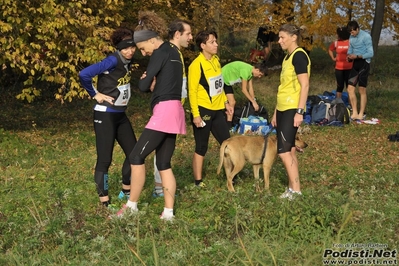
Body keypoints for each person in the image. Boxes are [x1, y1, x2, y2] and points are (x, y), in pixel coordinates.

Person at [116, 11, 186, 220]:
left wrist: (148, 79)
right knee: (163, 163)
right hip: (175, 110)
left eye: (142, 48)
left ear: (150, 40)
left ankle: (131, 207)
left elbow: (144, 85)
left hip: (164, 111)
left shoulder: (160, 53)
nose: (143, 53)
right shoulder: (174, 52)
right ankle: (168, 212)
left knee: (136, 156)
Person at [79, 28, 137, 207]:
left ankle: (126, 191)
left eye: (132, 47)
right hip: (104, 115)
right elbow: (84, 74)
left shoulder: (128, 60)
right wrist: (95, 94)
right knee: (105, 159)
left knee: (135, 154)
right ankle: (104, 203)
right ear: (118, 48)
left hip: (120, 115)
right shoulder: (112, 60)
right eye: (125, 48)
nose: (130, 51)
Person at [152, 19, 193, 198]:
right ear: (177, 34)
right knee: (158, 150)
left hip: (175, 109)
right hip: (165, 108)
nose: (191, 37)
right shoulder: (167, 51)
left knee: (166, 151)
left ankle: (162, 188)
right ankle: (159, 188)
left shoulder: (177, 53)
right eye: (188, 34)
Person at [188, 30, 233, 187]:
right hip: (203, 110)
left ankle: (231, 177)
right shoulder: (196, 65)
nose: (216, 44)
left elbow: (218, 85)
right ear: (203, 45)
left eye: (216, 41)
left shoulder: (216, 60)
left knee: (227, 142)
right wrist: (196, 114)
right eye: (212, 42)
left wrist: (226, 103)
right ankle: (198, 181)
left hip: (217, 110)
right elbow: (192, 91)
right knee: (202, 146)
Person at [271, 24, 311, 200]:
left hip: (292, 108)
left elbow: (305, 85)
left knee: (283, 151)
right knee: (290, 150)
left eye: (282, 37)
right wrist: (275, 112)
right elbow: (283, 87)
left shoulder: (299, 56)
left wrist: (300, 111)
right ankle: (291, 187)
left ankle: (296, 190)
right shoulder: (287, 58)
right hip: (282, 108)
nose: (279, 41)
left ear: (293, 37)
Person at [221, 61, 268, 129]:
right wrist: (253, 102)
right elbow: (244, 89)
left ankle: (229, 126)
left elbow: (250, 88)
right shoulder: (246, 70)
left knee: (232, 102)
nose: (259, 77)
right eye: (260, 74)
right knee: (224, 102)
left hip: (227, 83)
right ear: (257, 70)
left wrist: (254, 101)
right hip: (221, 79)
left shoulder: (250, 72)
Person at [346, 20, 374, 120]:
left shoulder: (366, 36)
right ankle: (355, 112)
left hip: (364, 63)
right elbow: (350, 49)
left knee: (361, 89)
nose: (351, 34)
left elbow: (371, 53)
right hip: (355, 63)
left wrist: (358, 56)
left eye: (353, 32)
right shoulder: (351, 37)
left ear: (357, 29)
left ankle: (361, 113)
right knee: (350, 88)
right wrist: (348, 56)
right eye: (350, 32)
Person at [328, 26, 353, 99]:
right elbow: (330, 49)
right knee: (340, 86)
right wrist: (333, 58)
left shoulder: (351, 42)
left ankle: (350, 104)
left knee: (349, 87)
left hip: (350, 68)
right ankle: (338, 104)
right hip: (339, 68)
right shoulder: (336, 43)